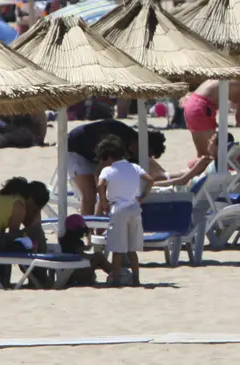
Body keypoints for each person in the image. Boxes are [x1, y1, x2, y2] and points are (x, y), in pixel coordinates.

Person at [66, 119, 165, 215]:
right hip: (75, 148)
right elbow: (99, 173)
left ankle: (97, 224)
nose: (141, 156)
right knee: (90, 192)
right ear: (140, 142)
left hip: (93, 154)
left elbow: (157, 173)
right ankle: (86, 229)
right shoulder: (117, 138)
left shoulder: (134, 153)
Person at [96, 136, 152, 287]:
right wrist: (143, 197)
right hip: (134, 208)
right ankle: (136, 280)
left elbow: (100, 185)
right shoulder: (134, 167)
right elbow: (150, 179)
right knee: (132, 250)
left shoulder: (108, 170)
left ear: (108, 157)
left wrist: (103, 202)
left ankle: (115, 278)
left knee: (117, 249)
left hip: (118, 210)